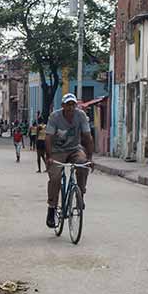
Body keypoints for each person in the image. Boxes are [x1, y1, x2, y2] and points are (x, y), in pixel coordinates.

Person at [44, 94, 94, 228]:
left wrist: (90, 158)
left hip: (74, 149)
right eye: (68, 104)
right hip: (56, 151)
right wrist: (49, 156)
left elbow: (87, 137)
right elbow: (48, 138)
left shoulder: (81, 116)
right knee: (55, 178)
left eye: (73, 104)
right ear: (63, 106)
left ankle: (80, 195)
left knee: (83, 165)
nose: (71, 107)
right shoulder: (55, 117)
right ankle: (52, 208)